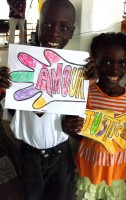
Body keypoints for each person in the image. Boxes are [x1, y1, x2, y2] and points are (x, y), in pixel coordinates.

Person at [0, 0, 96, 200]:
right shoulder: (21, 63)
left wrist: (89, 81)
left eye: (64, 27)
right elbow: (10, 113)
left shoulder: (77, 70)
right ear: (38, 25)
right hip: (28, 155)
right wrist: (5, 85)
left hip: (61, 154)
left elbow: (78, 120)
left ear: (72, 32)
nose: (54, 32)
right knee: (31, 195)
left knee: (61, 196)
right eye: (48, 24)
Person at [62, 32, 126, 200]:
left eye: (122, 63)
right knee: (86, 194)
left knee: (113, 194)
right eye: (107, 62)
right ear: (94, 61)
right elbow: (76, 129)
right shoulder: (86, 94)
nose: (114, 69)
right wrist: (72, 126)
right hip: (90, 163)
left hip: (116, 166)